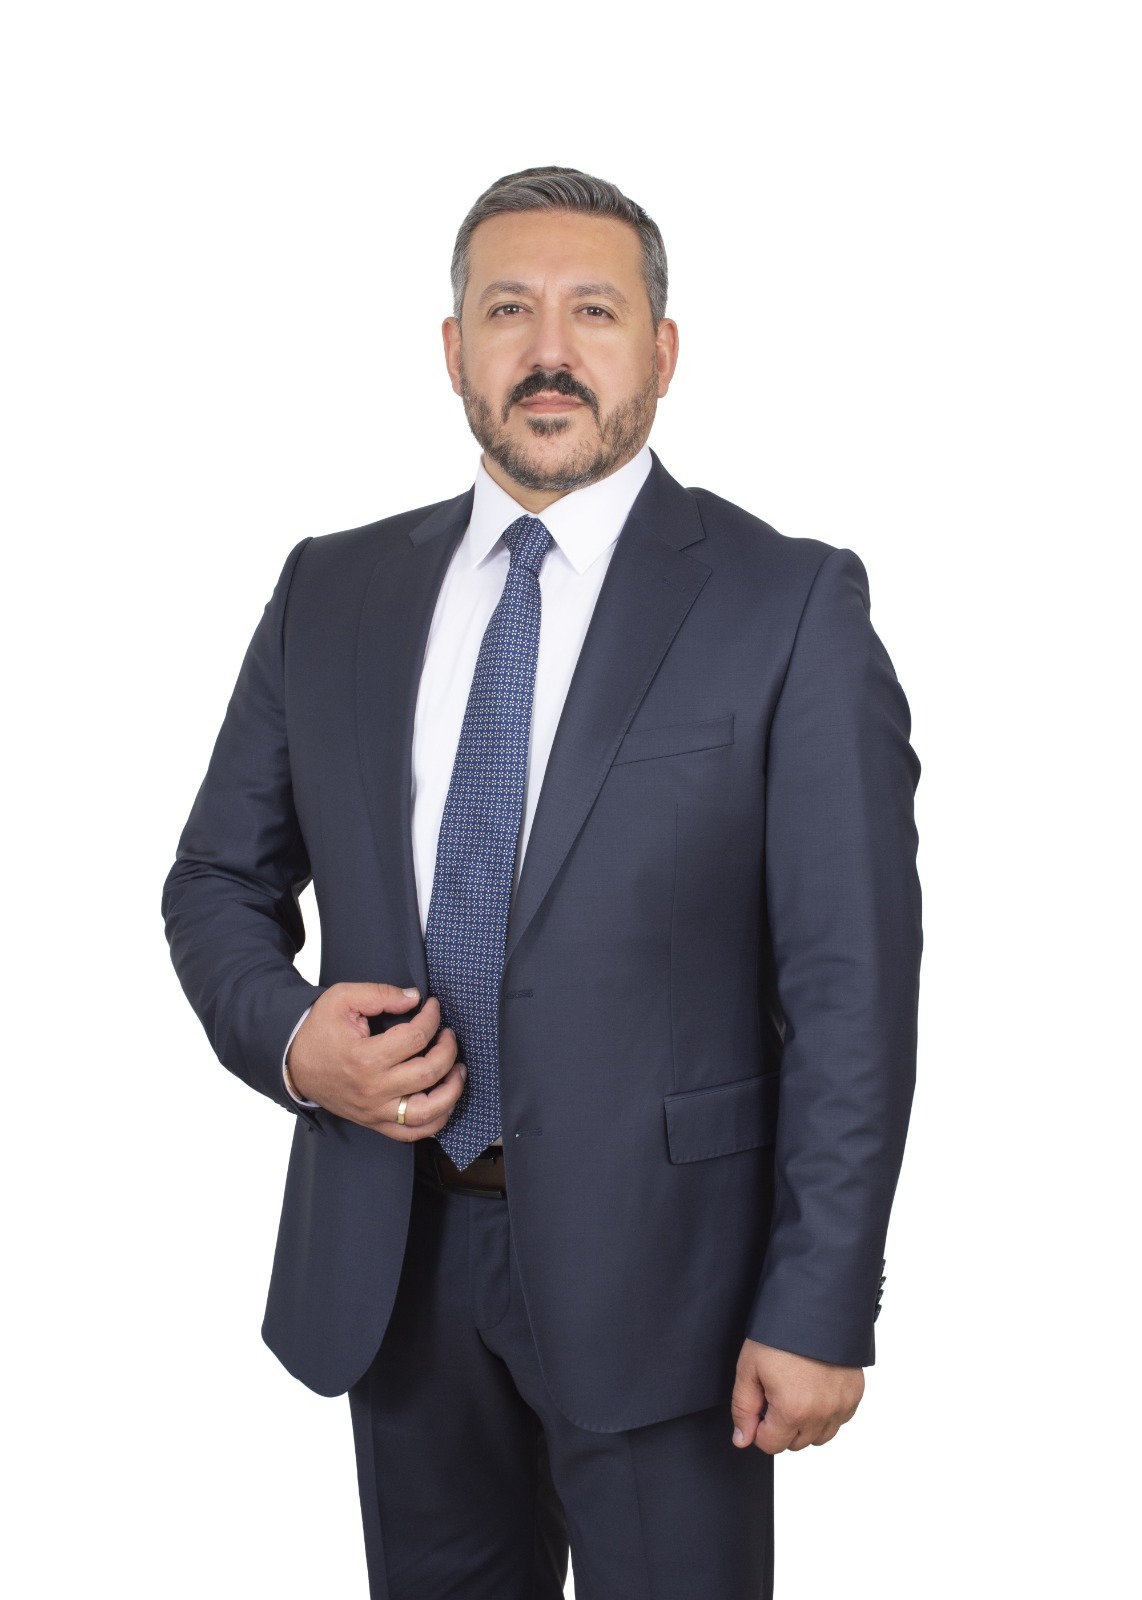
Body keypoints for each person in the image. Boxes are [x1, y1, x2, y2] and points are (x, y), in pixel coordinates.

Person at [162, 165, 922, 1599]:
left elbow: (852, 991)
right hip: (393, 1262)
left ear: (663, 351)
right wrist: (293, 1039)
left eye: (595, 311)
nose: (550, 350)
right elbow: (214, 879)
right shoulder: (331, 589)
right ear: (455, 348)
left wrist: (822, 1298)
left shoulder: (786, 604)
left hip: (676, 1289)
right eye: (510, 311)